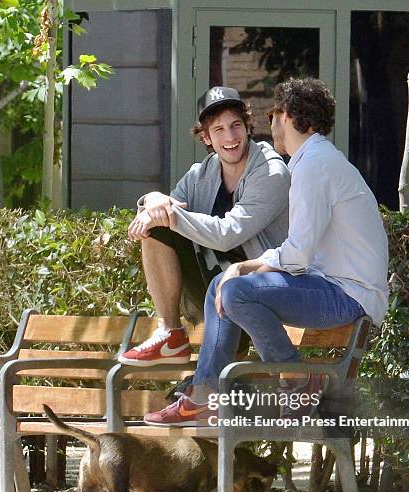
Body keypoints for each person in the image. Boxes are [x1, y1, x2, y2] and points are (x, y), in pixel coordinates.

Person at [143, 77, 389, 426]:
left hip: (349, 295)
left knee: (235, 290)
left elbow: (298, 255)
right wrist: (246, 268)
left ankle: (297, 379)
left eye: (273, 113)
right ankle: (204, 396)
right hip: (337, 286)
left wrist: (249, 267)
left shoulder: (313, 165)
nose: (269, 123)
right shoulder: (313, 160)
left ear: (287, 116)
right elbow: (298, 253)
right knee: (222, 287)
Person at [118, 86, 290, 366]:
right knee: (158, 231)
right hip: (217, 293)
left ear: (248, 127)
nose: (230, 137)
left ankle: (213, 379)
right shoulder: (202, 173)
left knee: (165, 220)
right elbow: (163, 211)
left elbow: (227, 234)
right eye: (219, 130)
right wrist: (153, 199)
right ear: (206, 137)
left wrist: (164, 210)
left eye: (236, 125)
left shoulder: (271, 172)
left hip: (261, 292)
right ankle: (171, 334)